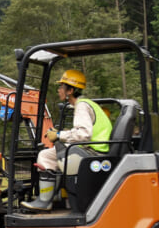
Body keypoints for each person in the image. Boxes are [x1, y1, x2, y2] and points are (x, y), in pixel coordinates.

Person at [22, 69, 112, 211]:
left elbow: (84, 134)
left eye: (61, 87)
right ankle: (55, 197)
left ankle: (45, 201)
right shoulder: (86, 104)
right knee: (51, 154)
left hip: (92, 152)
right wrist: (61, 134)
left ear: (70, 90)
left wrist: (59, 135)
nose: (59, 90)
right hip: (94, 149)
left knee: (45, 155)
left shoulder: (82, 106)